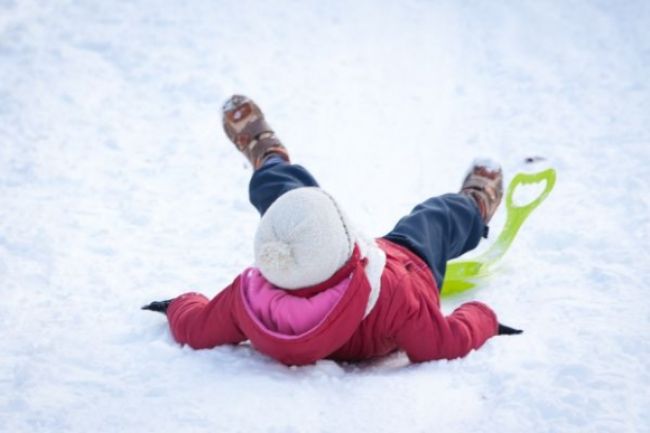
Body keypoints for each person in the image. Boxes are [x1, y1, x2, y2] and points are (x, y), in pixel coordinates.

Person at [142, 95, 522, 366]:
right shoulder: (397, 298)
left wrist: (178, 305)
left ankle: (267, 154)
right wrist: (483, 317)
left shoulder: (250, 299)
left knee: (288, 198)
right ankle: (476, 203)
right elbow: (442, 343)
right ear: (349, 243)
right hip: (410, 262)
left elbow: (198, 327)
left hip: (315, 258)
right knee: (434, 218)